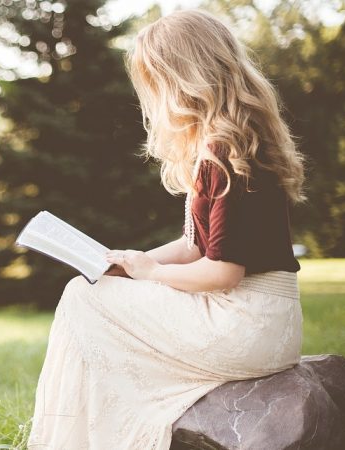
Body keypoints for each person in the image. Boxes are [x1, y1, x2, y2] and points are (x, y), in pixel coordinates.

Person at [27, 9, 307, 450]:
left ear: (184, 77)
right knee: (92, 289)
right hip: (267, 322)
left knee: (81, 297)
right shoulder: (236, 139)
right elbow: (195, 246)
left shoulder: (222, 151)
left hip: (245, 323)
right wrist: (127, 261)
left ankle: (73, 440)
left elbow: (222, 273)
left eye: (156, 81)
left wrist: (150, 274)